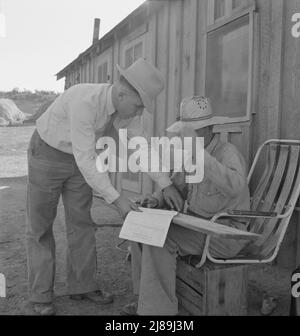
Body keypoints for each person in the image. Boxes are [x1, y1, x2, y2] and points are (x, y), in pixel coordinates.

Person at [26, 58, 184, 315]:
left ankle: (83, 286)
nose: (139, 112)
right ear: (122, 93)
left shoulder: (128, 112)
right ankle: (40, 295)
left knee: (81, 222)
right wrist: (118, 199)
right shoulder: (84, 101)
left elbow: (141, 148)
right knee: (40, 225)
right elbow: (87, 160)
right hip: (48, 154)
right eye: (138, 105)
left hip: (80, 158)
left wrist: (165, 184)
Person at [123, 96, 251, 316]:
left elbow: (236, 187)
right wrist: (156, 199)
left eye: (194, 131)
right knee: (139, 227)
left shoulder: (227, 153)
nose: (188, 137)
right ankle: (147, 299)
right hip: (197, 227)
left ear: (210, 128)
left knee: (160, 238)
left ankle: (158, 313)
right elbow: (175, 185)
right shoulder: (190, 154)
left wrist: (202, 157)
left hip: (225, 233)